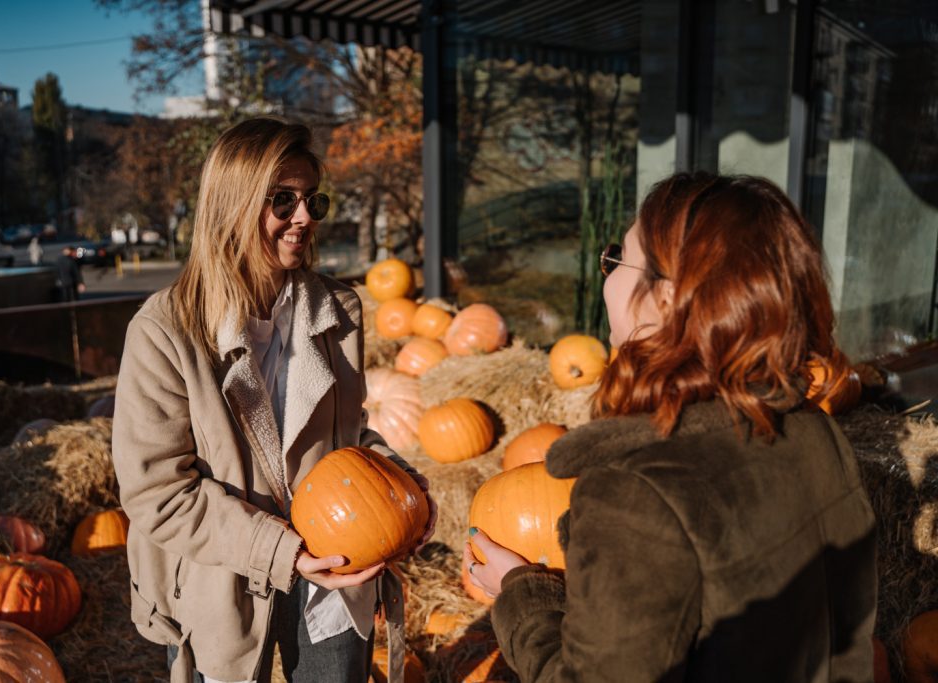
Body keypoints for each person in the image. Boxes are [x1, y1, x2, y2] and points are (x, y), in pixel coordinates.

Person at [464, 172, 877, 682]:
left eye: (618, 259)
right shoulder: (816, 432)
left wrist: (523, 591)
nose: (606, 275)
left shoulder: (637, 490)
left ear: (666, 298)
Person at [112, 117, 437, 683]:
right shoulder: (165, 331)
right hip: (223, 569)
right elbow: (157, 492)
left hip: (339, 564)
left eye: (313, 199)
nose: (304, 218)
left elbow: (349, 437)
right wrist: (281, 551)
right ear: (231, 206)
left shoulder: (339, 311)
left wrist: (397, 485)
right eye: (282, 201)